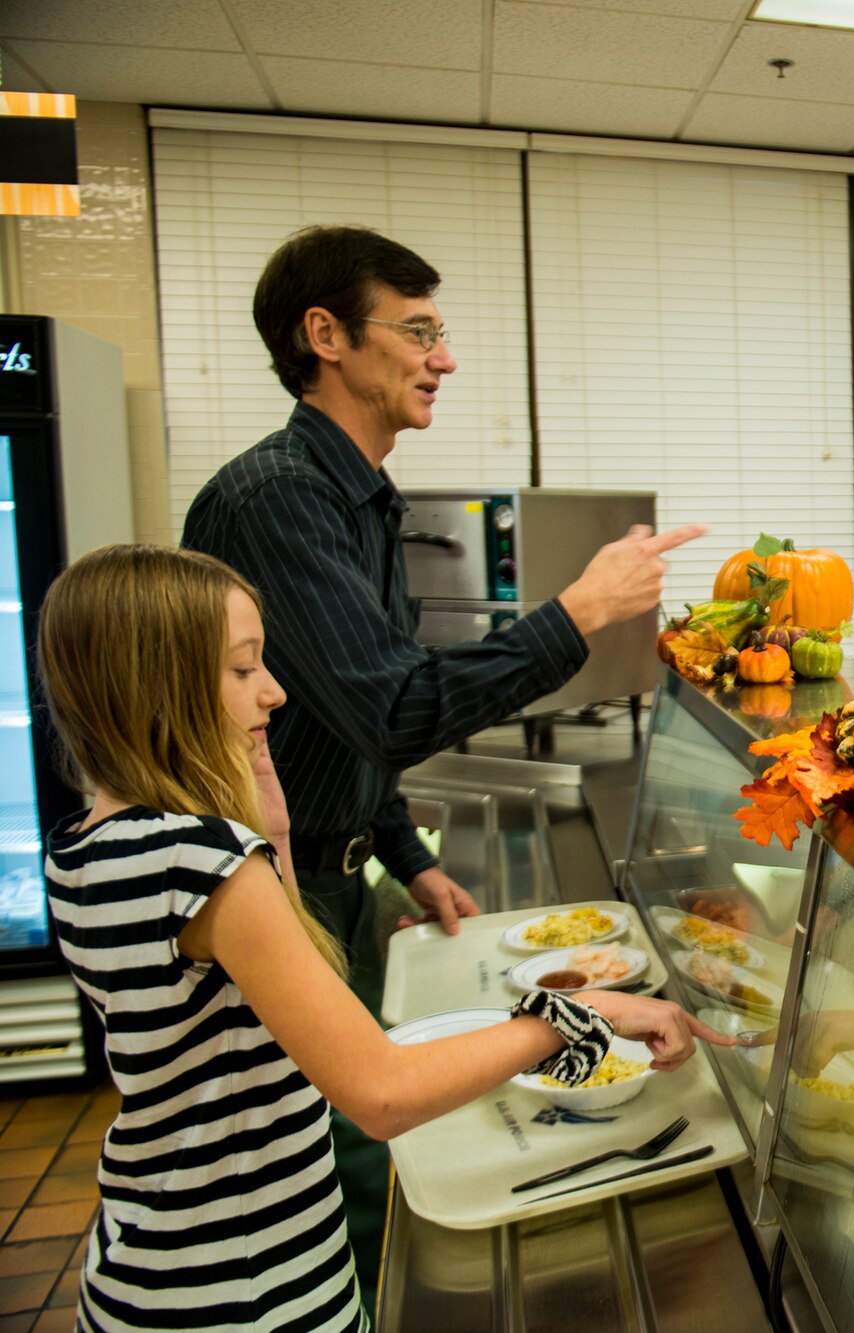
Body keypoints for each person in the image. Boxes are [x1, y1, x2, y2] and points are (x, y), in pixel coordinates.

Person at [180, 224, 703, 1298]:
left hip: (332, 862)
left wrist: (403, 852)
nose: (444, 358)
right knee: (338, 1141)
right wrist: (577, 613)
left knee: (360, 1121)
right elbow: (392, 707)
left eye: (440, 330)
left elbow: (331, 712)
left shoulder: (362, 499)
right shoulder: (279, 498)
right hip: (279, 886)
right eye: (417, 331)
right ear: (324, 336)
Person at [37, 544, 733, 1331]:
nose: (274, 690)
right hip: (249, 1288)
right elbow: (381, 1093)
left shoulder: (85, 846)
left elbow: (258, 1013)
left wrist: (274, 836)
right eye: (241, 670)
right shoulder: (204, 862)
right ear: (154, 689)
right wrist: (581, 1015)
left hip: (149, 1262)